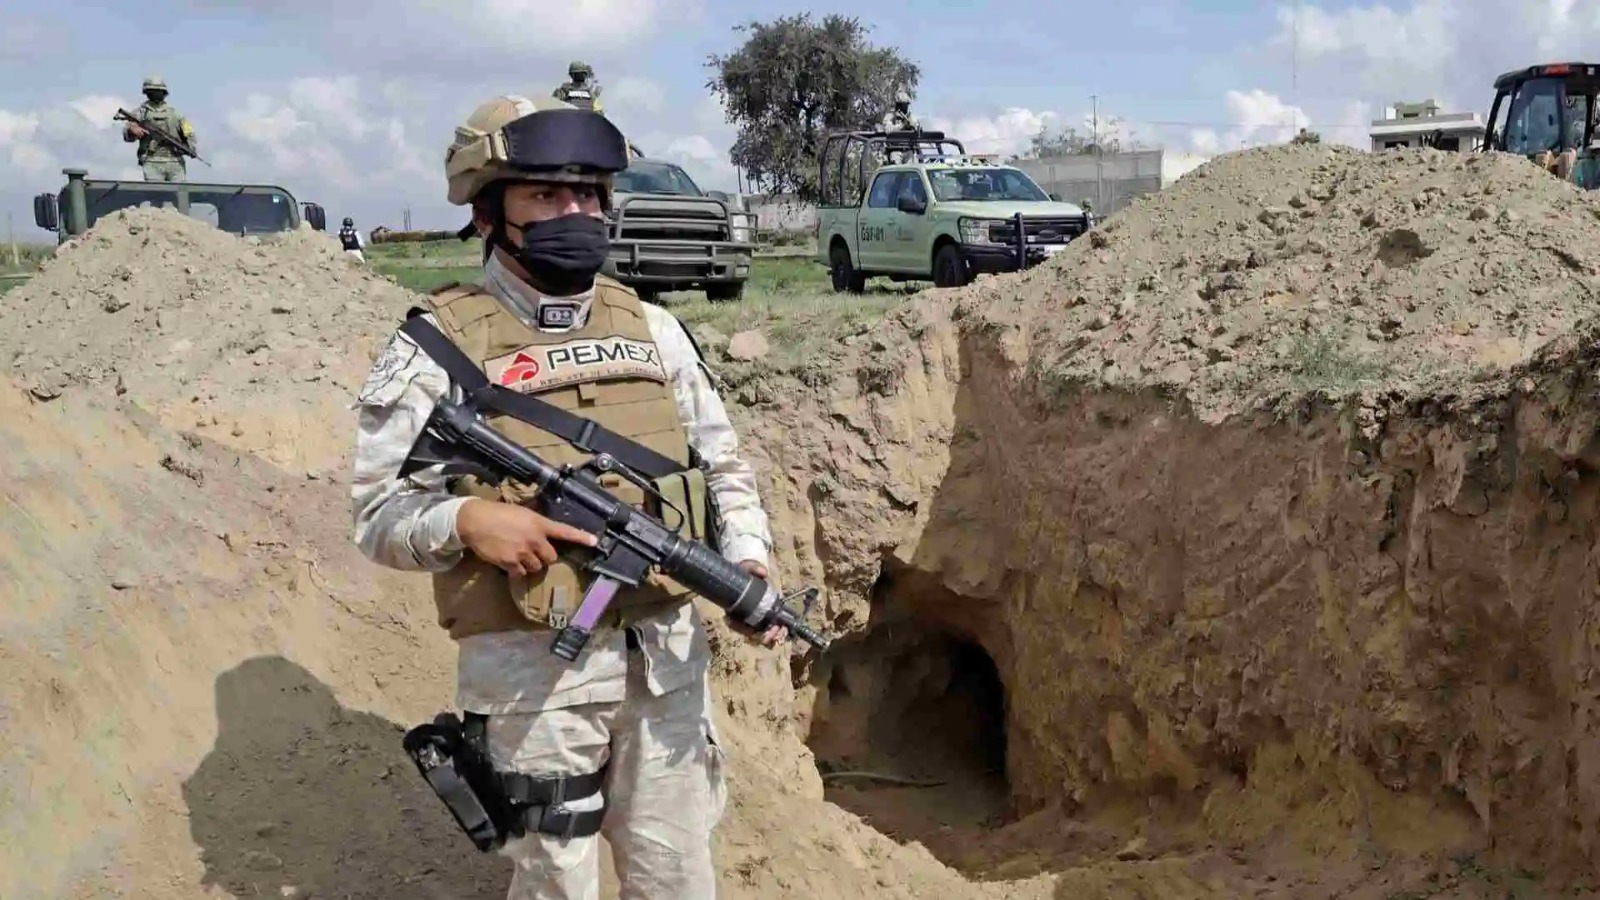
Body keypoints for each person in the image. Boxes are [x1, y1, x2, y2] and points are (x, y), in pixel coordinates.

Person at [349, 93, 784, 899]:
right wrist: (466, 519)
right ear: (488, 213)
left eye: (587, 193)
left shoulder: (653, 330)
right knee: (556, 884)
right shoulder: (436, 344)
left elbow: (723, 467)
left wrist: (747, 563)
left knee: (679, 878)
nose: (574, 212)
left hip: (665, 668)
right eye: (547, 194)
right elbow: (376, 514)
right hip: (532, 681)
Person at [121, 76, 197, 183]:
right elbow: (127, 132)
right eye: (152, 91)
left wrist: (190, 148)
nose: (155, 94)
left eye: (157, 91)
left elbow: (189, 133)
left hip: (174, 161)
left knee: (179, 190)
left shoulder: (175, 114)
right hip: (152, 161)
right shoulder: (140, 113)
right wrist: (132, 129)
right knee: (156, 191)